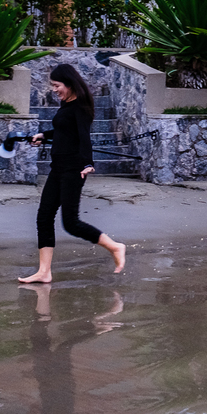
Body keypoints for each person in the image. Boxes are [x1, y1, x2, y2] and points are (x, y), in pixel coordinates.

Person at [18, 63, 126, 283]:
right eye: (53, 86)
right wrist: (43, 135)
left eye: (57, 86)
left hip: (73, 168)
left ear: (69, 83)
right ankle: (44, 272)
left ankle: (115, 247)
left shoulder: (81, 107)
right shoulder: (67, 104)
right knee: (44, 216)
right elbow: (63, 131)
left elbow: (84, 136)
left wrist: (88, 163)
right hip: (58, 167)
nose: (55, 90)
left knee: (71, 222)